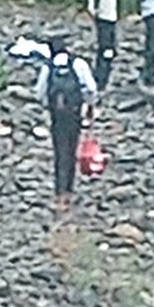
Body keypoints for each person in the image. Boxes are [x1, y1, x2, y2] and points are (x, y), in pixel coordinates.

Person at [34, 35, 98, 209]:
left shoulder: (48, 67)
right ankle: (69, 191)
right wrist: (90, 107)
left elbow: (40, 93)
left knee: (59, 152)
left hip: (57, 114)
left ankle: (59, 192)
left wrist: (49, 106)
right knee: (71, 149)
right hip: (75, 112)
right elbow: (91, 88)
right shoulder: (78, 64)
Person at [87, 0, 121, 91]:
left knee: (106, 47)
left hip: (107, 15)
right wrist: (92, 8)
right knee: (106, 48)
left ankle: (101, 76)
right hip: (106, 16)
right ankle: (101, 78)